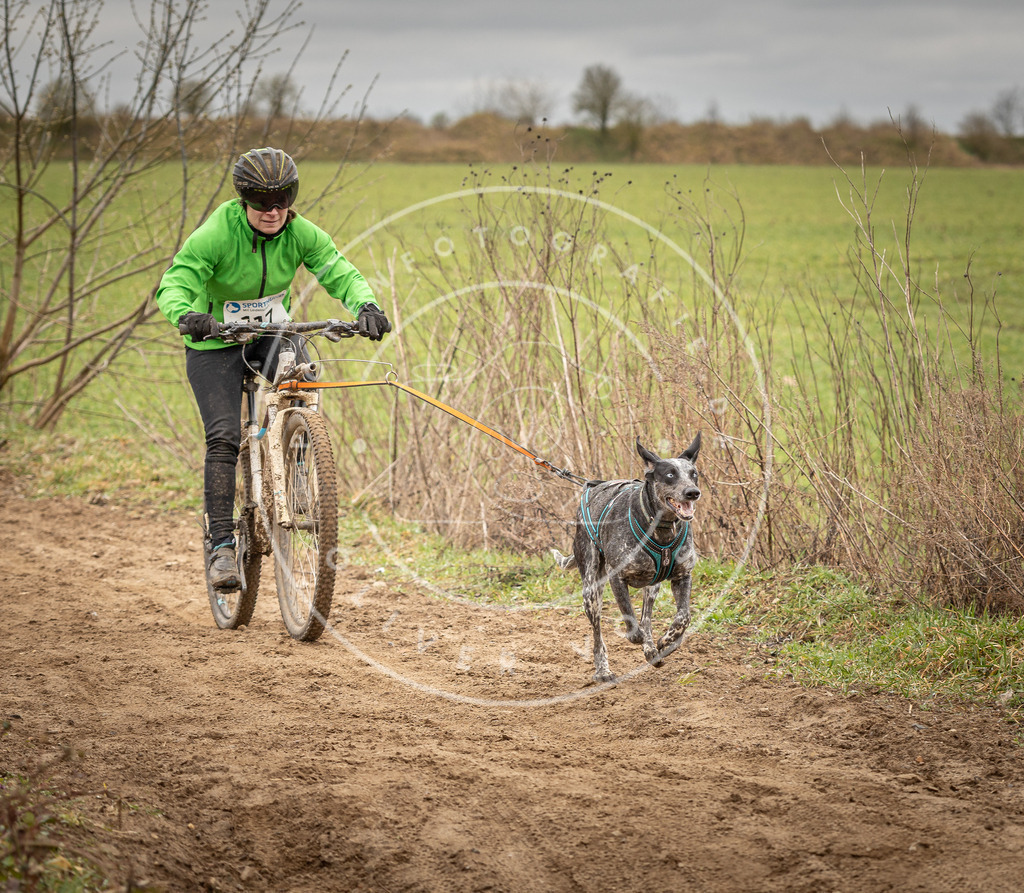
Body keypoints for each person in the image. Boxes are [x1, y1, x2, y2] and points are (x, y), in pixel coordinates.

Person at [156, 147, 390, 592]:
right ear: (243, 200)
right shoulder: (216, 235)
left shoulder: (301, 232)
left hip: (270, 333)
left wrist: (366, 304)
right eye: (262, 202)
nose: (273, 210)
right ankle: (222, 546)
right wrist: (186, 314)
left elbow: (338, 269)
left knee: (302, 374)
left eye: (282, 199)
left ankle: (299, 460)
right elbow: (176, 280)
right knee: (223, 436)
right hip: (214, 339)